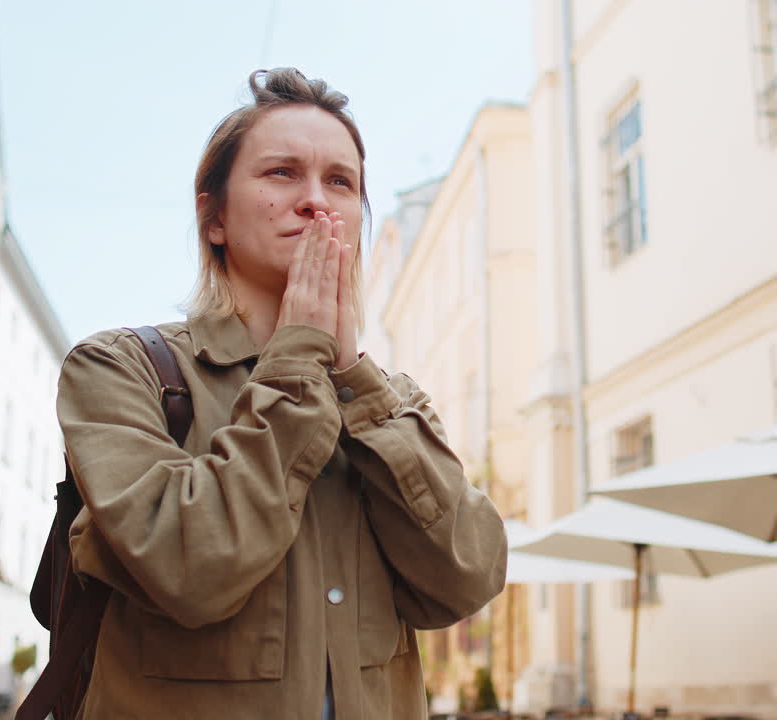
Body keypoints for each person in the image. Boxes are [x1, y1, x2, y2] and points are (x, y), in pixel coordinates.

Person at [56, 67, 507, 719]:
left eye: (341, 182)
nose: (316, 201)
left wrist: (353, 378)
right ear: (213, 217)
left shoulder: (393, 400)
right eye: (281, 173)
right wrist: (299, 358)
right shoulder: (117, 369)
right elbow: (188, 570)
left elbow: (467, 578)